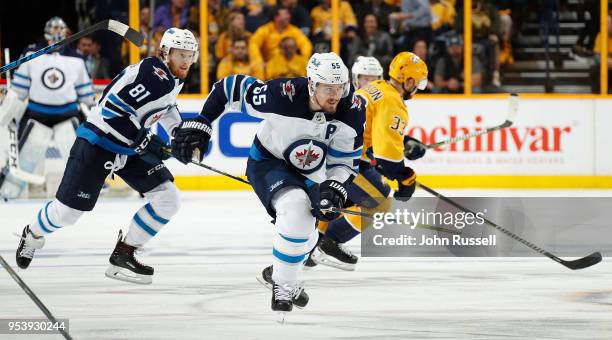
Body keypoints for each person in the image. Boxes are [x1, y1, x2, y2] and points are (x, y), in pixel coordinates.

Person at [171, 52, 365, 317]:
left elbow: (344, 162)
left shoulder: (352, 108)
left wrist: (335, 187)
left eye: (340, 87)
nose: (336, 94)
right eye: (328, 88)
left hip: (313, 172)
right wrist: (203, 122)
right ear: (311, 84)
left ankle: (281, 272)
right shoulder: (283, 94)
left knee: (308, 231)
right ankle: (284, 285)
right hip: (269, 162)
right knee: (296, 209)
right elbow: (229, 88)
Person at [14, 28, 199, 286]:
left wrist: (177, 132)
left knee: (168, 199)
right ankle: (31, 234)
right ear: (165, 53)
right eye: (181, 54)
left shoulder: (169, 77)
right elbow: (112, 111)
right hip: (98, 142)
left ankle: (124, 254)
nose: (186, 61)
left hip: (128, 146)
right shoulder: (153, 76)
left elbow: (166, 105)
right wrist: (146, 140)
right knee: (68, 214)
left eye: (191, 55)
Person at [308, 53, 428, 270]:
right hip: (344, 157)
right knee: (379, 201)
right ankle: (329, 243)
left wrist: (404, 142)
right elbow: (387, 158)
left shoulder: (375, 88)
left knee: (340, 201)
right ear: (409, 81)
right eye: (418, 82)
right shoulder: (393, 101)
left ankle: (312, 246)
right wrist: (405, 178)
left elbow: (369, 129)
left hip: (321, 150)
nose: (418, 87)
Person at [0, 17, 95, 199]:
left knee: (76, 156)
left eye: (61, 30)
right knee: (27, 157)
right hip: (37, 115)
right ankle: (8, 194)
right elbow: (18, 91)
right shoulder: (32, 55)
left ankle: (82, 194)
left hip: (68, 115)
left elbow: (87, 96)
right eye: (54, 31)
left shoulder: (76, 59)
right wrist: (7, 113)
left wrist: (96, 114)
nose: (57, 35)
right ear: (46, 34)